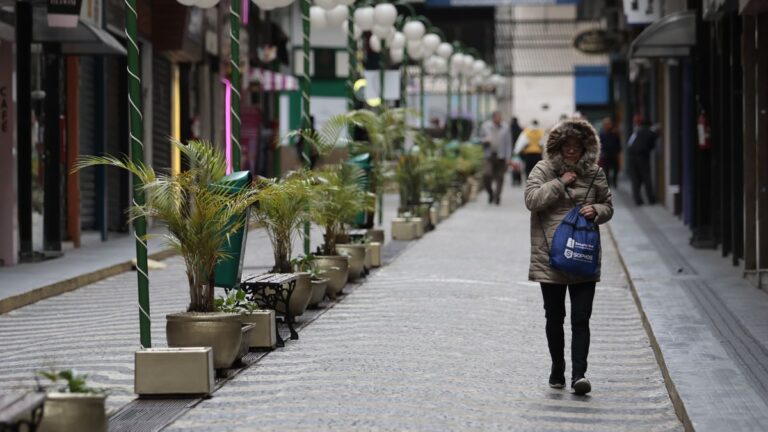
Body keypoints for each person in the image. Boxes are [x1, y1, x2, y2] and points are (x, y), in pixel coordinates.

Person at [524, 119, 614, 395]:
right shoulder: (543, 169)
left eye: (578, 146)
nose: (572, 151)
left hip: (583, 255)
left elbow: (608, 205)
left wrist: (596, 210)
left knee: (581, 318)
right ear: (558, 147)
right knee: (554, 316)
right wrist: (559, 184)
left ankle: (579, 374)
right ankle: (557, 368)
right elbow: (532, 201)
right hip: (549, 256)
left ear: (586, 147)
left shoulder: (595, 173)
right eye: (567, 146)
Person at [479, 111, 512, 205]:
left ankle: (497, 197)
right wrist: (485, 140)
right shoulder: (485, 126)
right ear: (493, 118)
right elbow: (479, 139)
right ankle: (490, 193)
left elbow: (508, 143)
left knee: (500, 178)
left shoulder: (505, 127)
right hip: (489, 155)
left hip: (501, 156)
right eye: (497, 117)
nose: (499, 119)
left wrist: (508, 157)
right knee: (486, 175)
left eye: (500, 117)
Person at [626, 115, 658, 205]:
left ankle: (638, 200)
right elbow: (653, 145)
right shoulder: (651, 133)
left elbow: (629, 144)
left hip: (632, 157)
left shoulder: (636, 132)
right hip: (642, 156)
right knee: (646, 177)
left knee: (635, 179)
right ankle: (651, 199)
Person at [598, 117, 621, 188]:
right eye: (607, 124)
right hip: (605, 154)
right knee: (606, 170)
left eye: (609, 124)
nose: (608, 125)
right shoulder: (601, 134)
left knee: (616, 169)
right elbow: (599, 144)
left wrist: (618, 150)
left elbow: (618, 143)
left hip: (614, 154)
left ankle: (614, 182)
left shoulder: (614, 133)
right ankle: (608, 183)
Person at [509, 117, 524, 186]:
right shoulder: (520, 129)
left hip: (511, 150)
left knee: (513, 166)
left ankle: (514, 179)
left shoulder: (509, 129)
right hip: (519, 150)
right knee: (519, 166)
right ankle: (519, 180)